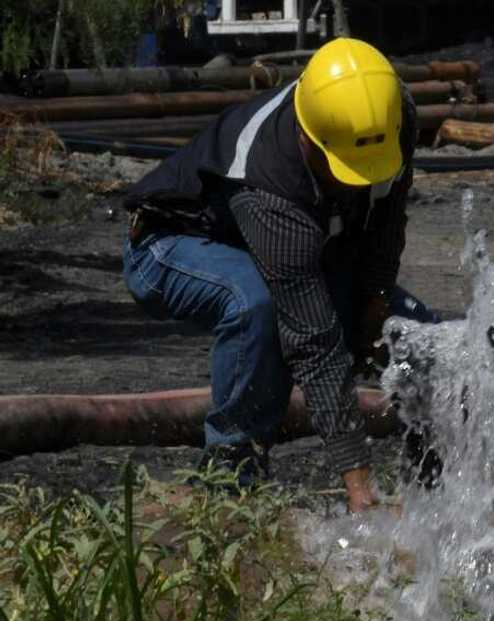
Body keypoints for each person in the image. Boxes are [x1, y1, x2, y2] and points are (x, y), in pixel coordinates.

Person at [122, 38, 439, 513]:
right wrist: (359, 487)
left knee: (418, 337)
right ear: (310, 139)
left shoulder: (389, 116)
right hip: (170, 248)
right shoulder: (267, 185)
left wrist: (375, 301)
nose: (359, 181)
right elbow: (313, 341)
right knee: (259, 307)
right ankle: (230, 483)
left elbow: (387, 217)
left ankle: (435, 491)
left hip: (289, 247)